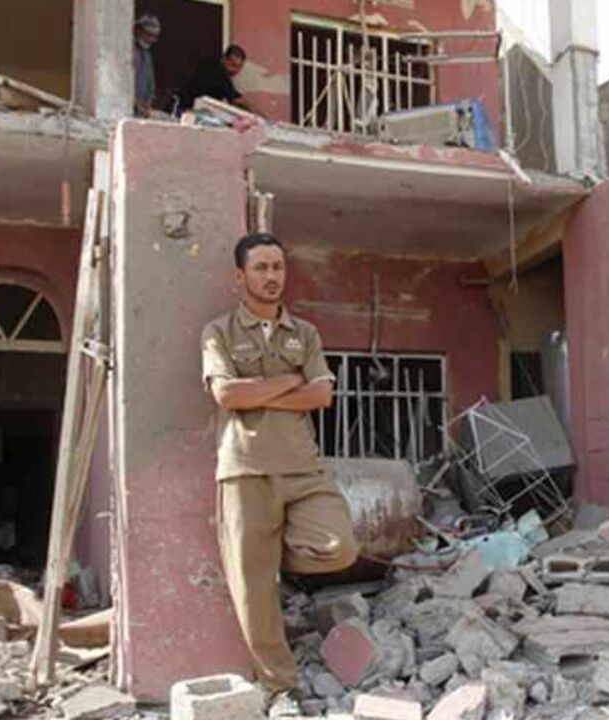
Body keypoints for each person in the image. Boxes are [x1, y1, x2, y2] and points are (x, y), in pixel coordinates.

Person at [201, 233, 359, 711]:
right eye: (261, 268)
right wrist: (290, 381)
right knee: (253, 593)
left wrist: (262, 391)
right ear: (240, 277)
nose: (272, 277)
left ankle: (281, 562)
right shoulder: (219, 333)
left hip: (302, 467)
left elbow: (322, 396)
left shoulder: (304, 334)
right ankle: (280, 687)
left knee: (340, 546)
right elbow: (227, 396)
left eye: (278, 268)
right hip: (245, 470)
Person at [175, 45, 254, 114]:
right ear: (224, 59)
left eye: (239, 67)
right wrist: (256, 114)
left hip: (193, 109)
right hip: (183, 108)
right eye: (233, 65)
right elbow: (236, 99)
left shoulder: (215, 68)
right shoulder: (218, 72)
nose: (235, 70)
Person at [133, 14, 161, 117]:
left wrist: (148, 103)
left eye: (154, 37)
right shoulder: (130, 51)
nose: (151, 39)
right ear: (138, 31)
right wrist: (134, 102)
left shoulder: (147, 54)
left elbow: (150, 81)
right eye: (149, 35)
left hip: (142, 108)